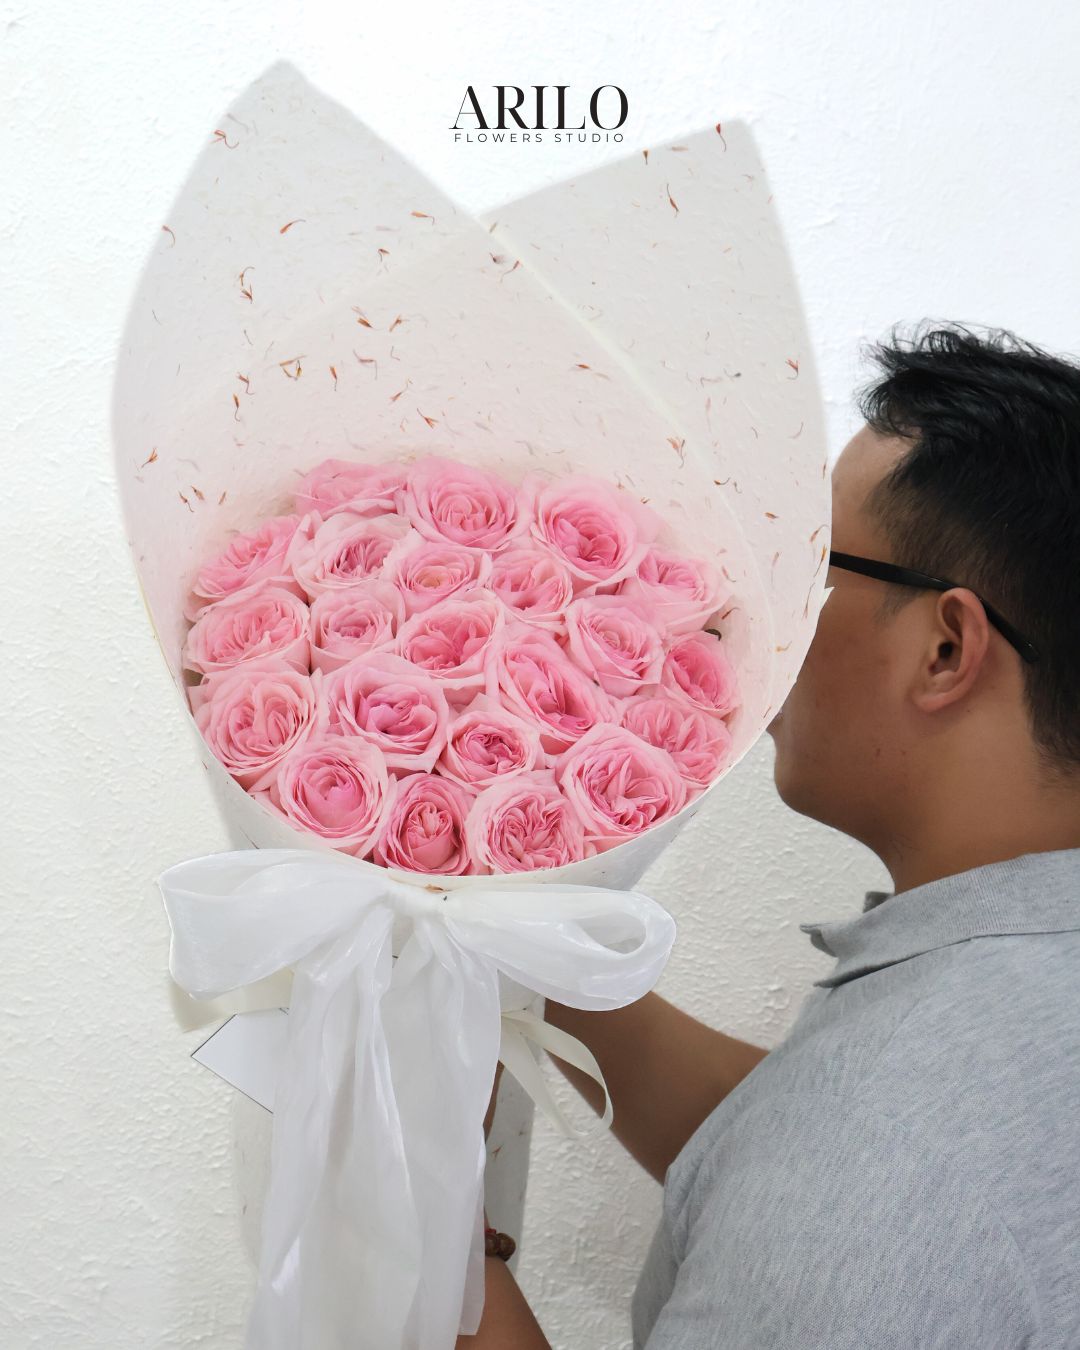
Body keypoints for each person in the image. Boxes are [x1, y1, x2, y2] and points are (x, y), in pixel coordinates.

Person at [457, 321, 1080, 1348]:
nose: (754, 618)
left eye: (812, 571)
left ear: (946, 647)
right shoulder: (985, 1038)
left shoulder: (892, 1151)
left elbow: (864, 1180)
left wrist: (430, 1235)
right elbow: (792, 1151)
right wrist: (534, 941)